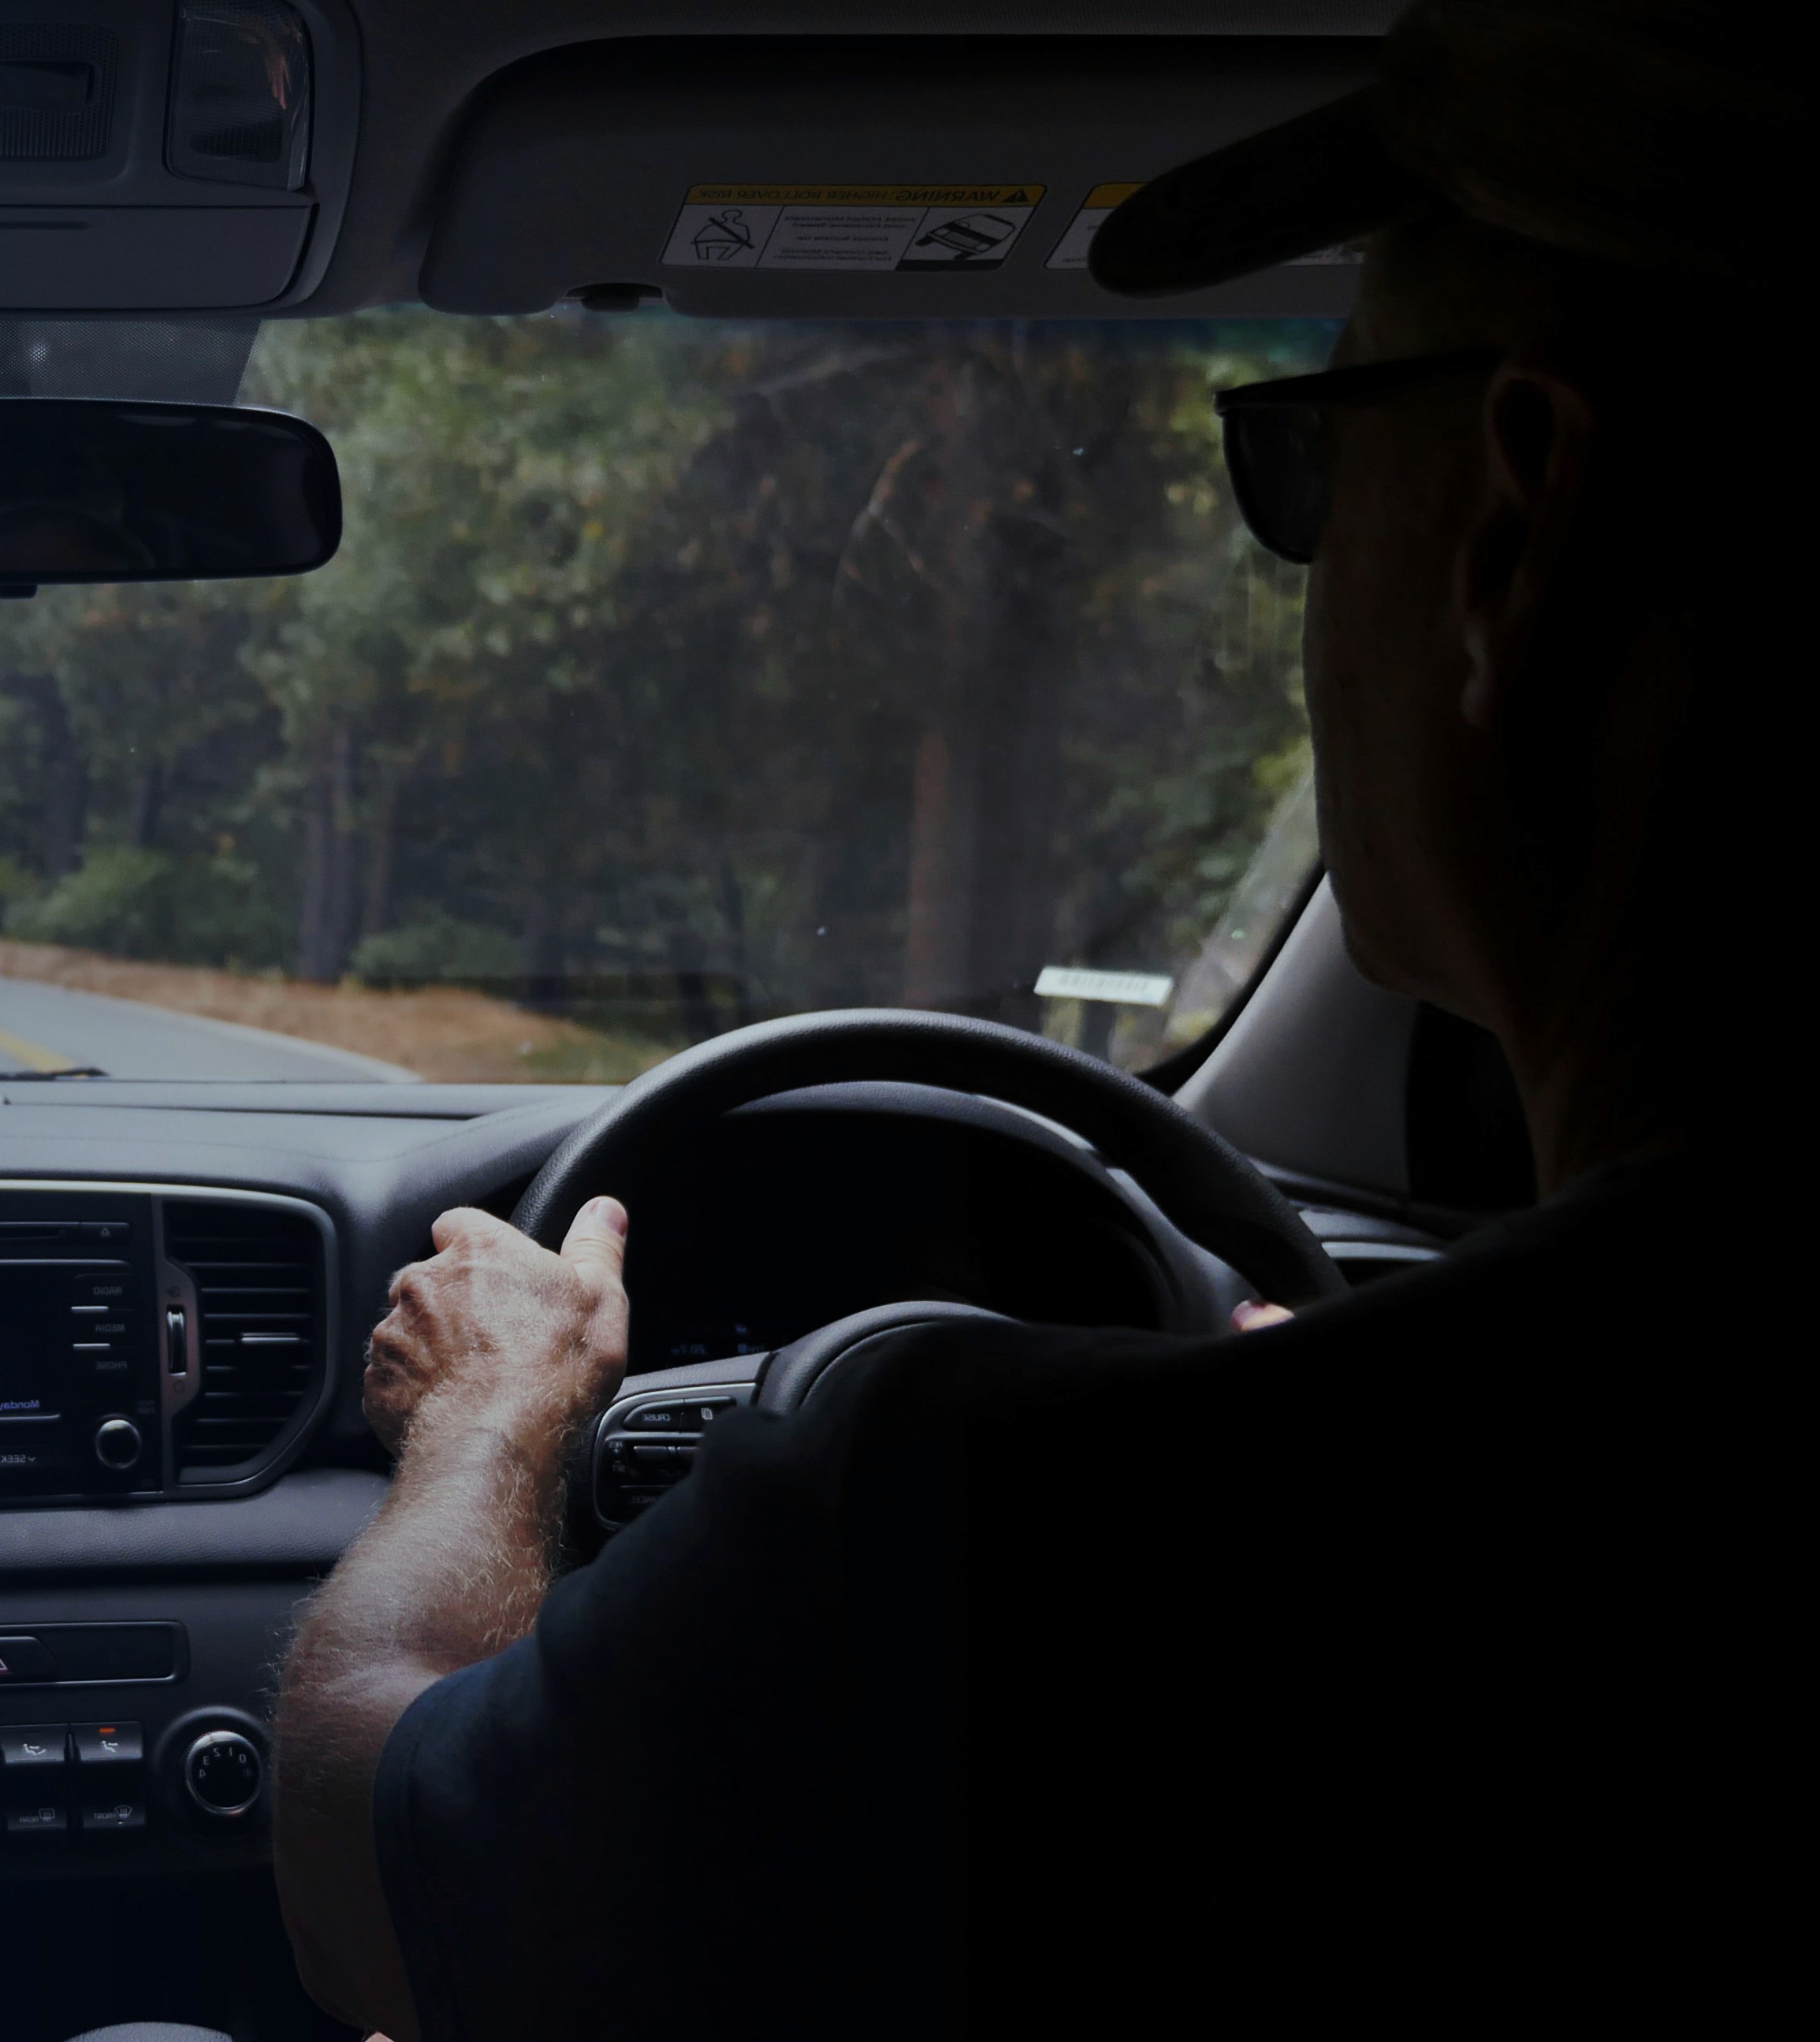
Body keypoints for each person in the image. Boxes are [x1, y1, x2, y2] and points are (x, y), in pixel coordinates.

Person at [269, 4, 1801, 2036]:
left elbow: (372, 1839)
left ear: (1514, 534)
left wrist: (487, 1425)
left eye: (1316, 453)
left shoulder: (989, 1542)